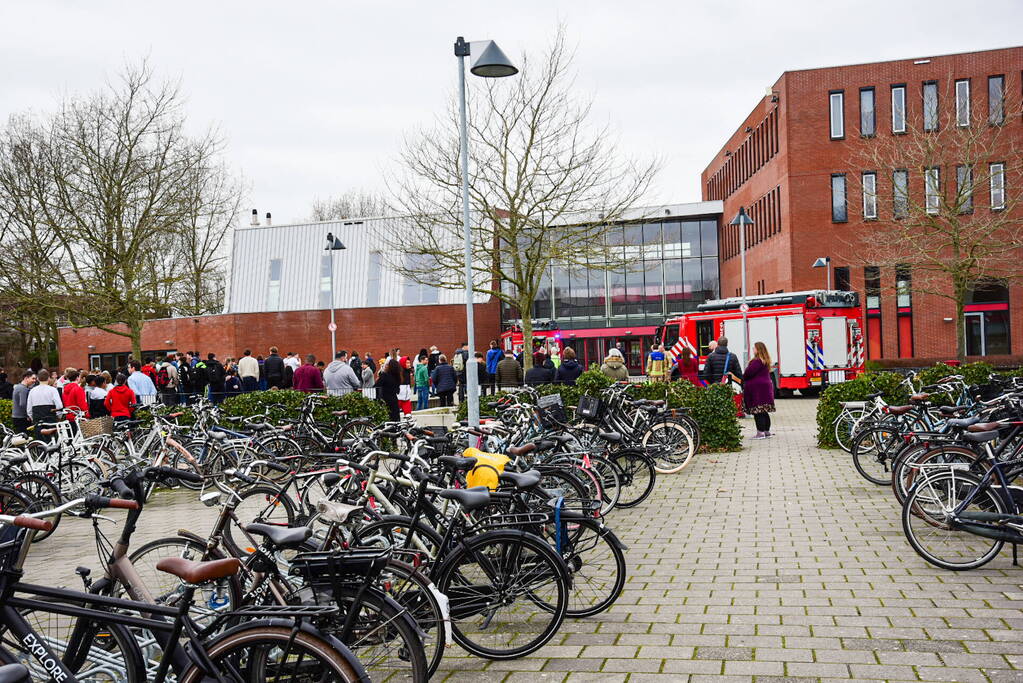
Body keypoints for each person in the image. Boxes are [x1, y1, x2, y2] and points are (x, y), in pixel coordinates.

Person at [744, 341, 777, 439]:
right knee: (764, 410)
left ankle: (760, 433)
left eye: (754, 348)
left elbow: (748, 373)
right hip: (765, 388)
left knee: (758, 411)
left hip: (757, 389)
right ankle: (766, 431)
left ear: (758, 349)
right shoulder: (765, 360)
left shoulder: (757, 361)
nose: (753, 349)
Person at [27, 369, 63, 435]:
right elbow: (59, 406)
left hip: (37, 418)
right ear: (48, 378)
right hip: (50, 418)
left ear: (38, 379)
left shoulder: (32, 391)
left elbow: (29, 409)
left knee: (39, 438)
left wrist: (33, 418)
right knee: (52, 438)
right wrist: (59, 416)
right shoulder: (53, 390)